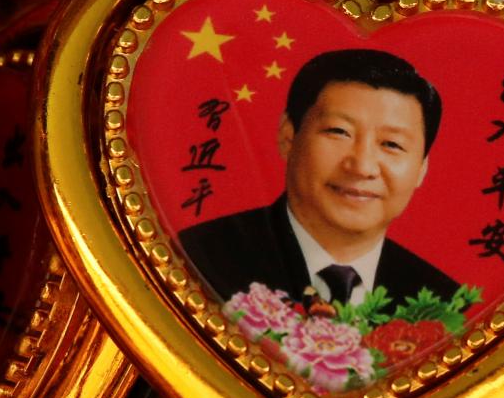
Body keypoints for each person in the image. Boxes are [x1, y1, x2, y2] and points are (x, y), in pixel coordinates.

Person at [179, 48, 459, 308]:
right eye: (339, 132)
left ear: (421, 168)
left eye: (392, 145)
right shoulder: (197, 260)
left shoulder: (442, 303)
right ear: (288, 136)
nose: (362, 167)